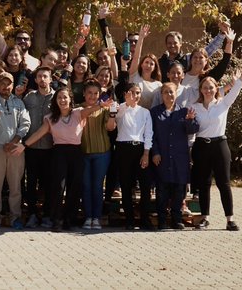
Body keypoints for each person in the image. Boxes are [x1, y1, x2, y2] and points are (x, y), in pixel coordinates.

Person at [21, 87, 100, 231]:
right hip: (58, 153)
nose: (62, 100)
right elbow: (39, 133)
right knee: (58, 187)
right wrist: (24, 145)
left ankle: (69, 219)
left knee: (74, 187)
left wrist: (101, 105)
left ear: (70, 99)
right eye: (59, 98)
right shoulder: (51, 118)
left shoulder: (78, 113)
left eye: (65, 97)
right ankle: (56, 219)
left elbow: (90, 110)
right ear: (55, 101)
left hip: (76, 152)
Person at [192, 53, 242, 231]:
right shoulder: (194, 107)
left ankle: (230, 219)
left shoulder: (223, 104)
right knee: (203, 183)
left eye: (211, 87)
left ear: (216, 89)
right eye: (205, 87)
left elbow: (238, 86)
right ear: (201, 90)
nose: (208, 90)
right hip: (201, 146)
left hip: (220, 146)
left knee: (223, 183)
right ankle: (204, 217)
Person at [0, 71, 31, 229]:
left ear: (12, 85)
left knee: (15, 186)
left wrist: (14, 141)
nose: (5, 86)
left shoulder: (19, 103)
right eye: (2, 83)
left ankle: (15, 217)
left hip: (15, 149)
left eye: (8, 83)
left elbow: (25, 124)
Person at [151, 82, 199, 230]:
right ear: (161, 95)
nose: (168, 95)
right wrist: (155, 152)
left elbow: (193, 130)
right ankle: (162, 220)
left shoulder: (184, 111)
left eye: (171, 92)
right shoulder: (154, 112)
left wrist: (190, 120)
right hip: (162, 157)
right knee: (162, 190)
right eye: (165, 92)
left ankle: (177, 219)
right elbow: (150, 134)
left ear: (176, 94)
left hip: (179, 158)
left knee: (179, 190)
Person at [113, 82, 153, 230]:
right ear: (125, 93)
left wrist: (146, 153)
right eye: (131, 92)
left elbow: (148, 134)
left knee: (145, 186)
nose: (135, 96)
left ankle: (144, 219)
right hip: (123, 149)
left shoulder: (145, 112)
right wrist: (126, 103)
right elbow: (117, 117)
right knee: (126, 185)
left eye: (137, 93)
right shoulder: (120, 108)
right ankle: (129, 219)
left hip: (140, 149)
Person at [78, 81, 118, 230]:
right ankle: (88, 217)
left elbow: (110, 127)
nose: (92, 96)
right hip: (83, 152)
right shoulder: (77, 107)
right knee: (86, 186)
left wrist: (112, 113)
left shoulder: (104, 109)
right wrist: (100, 105)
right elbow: (83, 114)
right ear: (84, 93)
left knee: (97, 186)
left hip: (102, 152)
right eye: (89, 92)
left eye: (96, 93)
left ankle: (97, 218)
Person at [21, 66, 55, 228]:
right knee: (31, 183)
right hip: (31, 147)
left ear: (50, 79)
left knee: (49, 184)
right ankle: (32, 214)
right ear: (35, 80)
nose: (42, 79)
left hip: (50, 148)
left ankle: (48, 215)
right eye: (39, 76)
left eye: (45, 76)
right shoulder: (29, 98)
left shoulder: (56, 98)